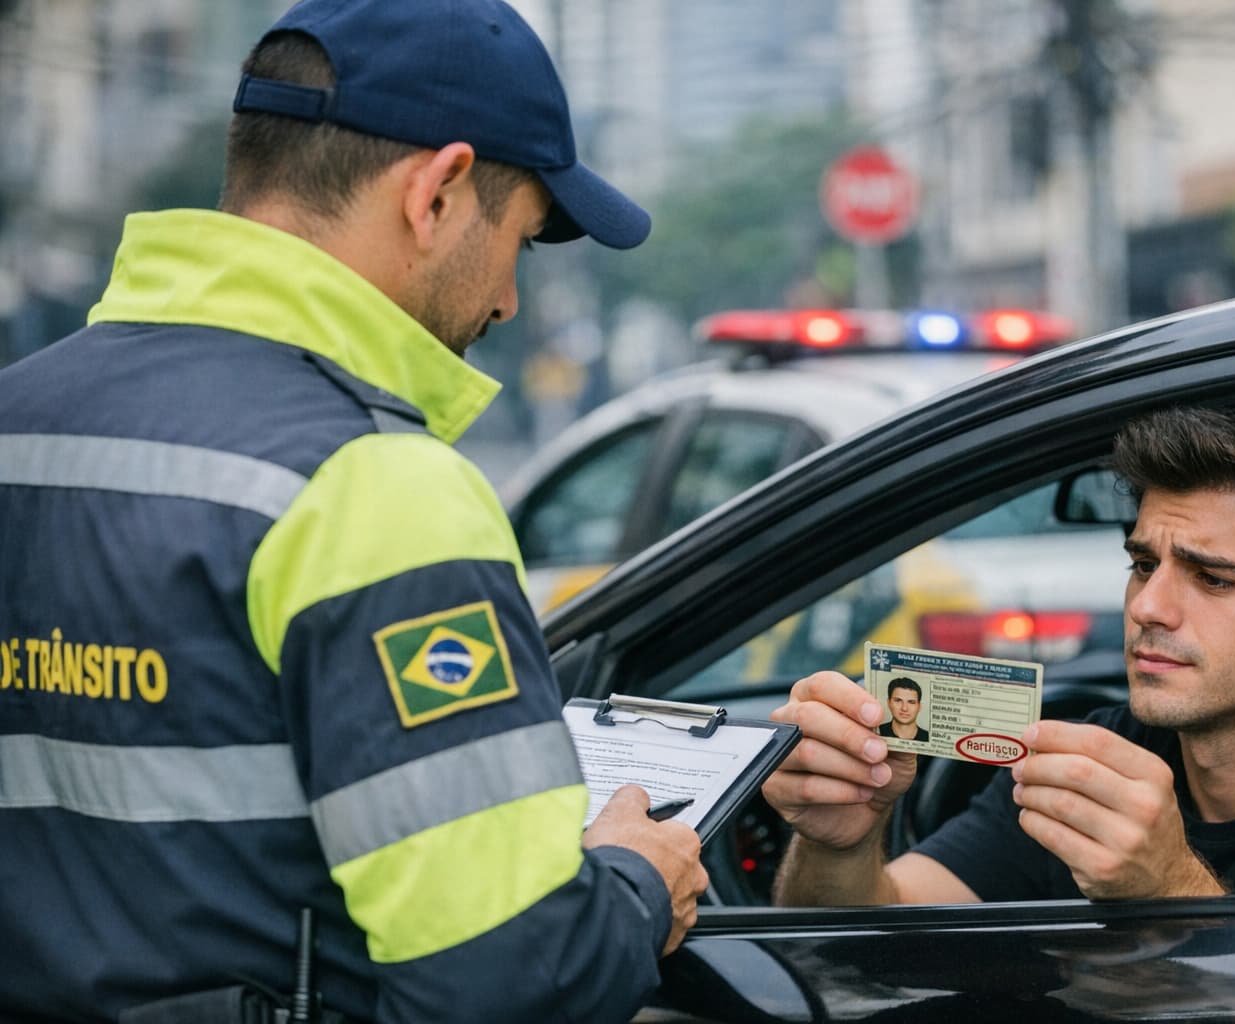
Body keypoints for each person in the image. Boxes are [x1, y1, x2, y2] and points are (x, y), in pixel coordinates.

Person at [0, 1, 707, 1021]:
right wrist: (634, 883)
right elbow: (507, 981)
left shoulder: (19, 417)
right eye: (527, 238)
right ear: (437, 192)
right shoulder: (370, 482)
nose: (508, 299)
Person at [764, 403, 1235, 907]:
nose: (1147, 606)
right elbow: (874, 943)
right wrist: (840, 845)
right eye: (1143, 563)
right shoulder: (1098, 758)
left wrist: (1171, 890)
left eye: (1213, 579)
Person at [877, 677, 930, 742]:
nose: (904, 708)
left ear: (919, 707)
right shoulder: (877, 731)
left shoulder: (928, 737)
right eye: (898, 700)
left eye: (911, 702)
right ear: (889, 703)